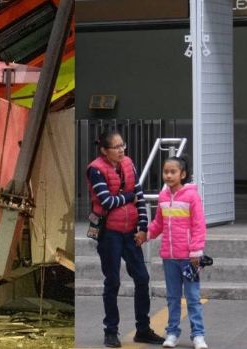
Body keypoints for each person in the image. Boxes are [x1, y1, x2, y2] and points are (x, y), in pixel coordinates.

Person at [87, 131, 164, 348]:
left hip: (130, 232)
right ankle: (110, 331)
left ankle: (143, 329)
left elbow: (140, 198)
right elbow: (107, 201)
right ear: (104, 150)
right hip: (109, 233)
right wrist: (129, 197)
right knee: (112, 282)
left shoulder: (129, 164)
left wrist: (142, 227)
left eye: (123, 145)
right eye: (116, 147)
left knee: (142, 278)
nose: (122, 150)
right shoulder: (96, 169)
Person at [142, 157, 208, 349]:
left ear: (183, 174)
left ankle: (198, 335)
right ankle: (172, 333)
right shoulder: (163, 198)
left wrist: (196, 251)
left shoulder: (191, 197)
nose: (168, 175)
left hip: (189, 258)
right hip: (169, 257)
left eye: (173, 172)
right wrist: (145, 235)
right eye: (165, 171)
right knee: (172, 297)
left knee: (193, 297)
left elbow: (198, 225)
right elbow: (158, 224)